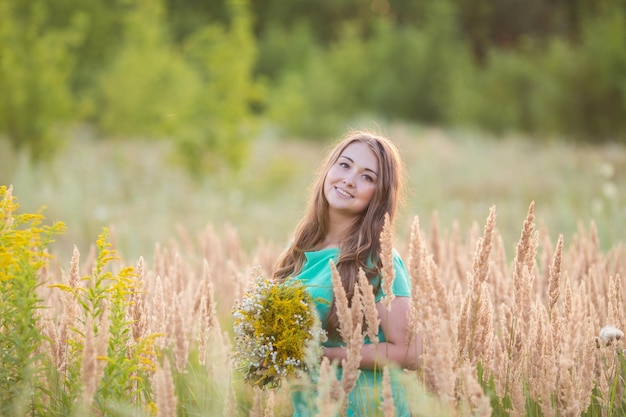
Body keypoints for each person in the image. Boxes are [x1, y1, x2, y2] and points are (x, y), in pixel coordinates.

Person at [272, 129, 423, 416]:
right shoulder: (299, 247)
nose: (349, 180)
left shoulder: (378, 259)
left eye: (367, 177)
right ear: (329, 169)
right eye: (344, 165)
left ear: (379, 195)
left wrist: (325, 356)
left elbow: (410, 352)